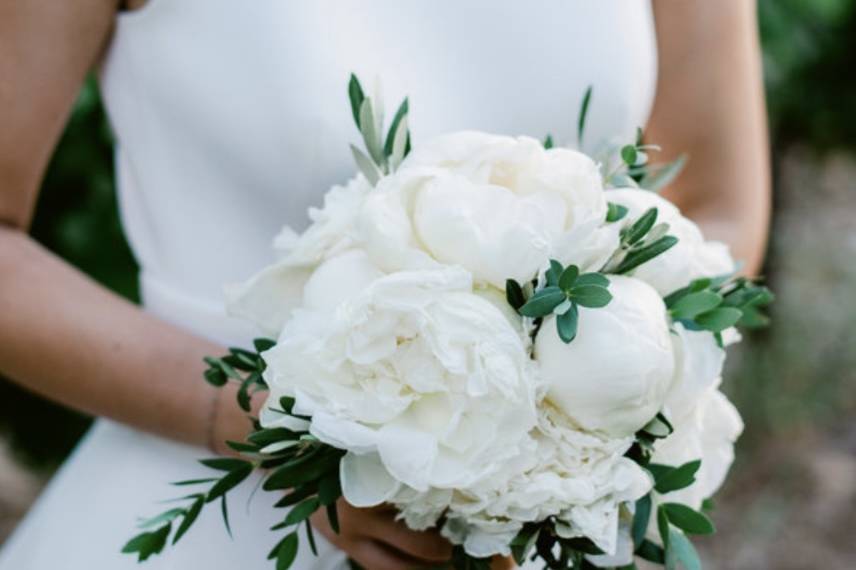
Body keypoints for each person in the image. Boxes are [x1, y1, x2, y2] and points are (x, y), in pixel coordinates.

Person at [0, 1, 770, 568]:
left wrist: (549, 444)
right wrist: (267, 427)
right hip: (211, 511)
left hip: (544, 533)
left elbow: (714, 205)